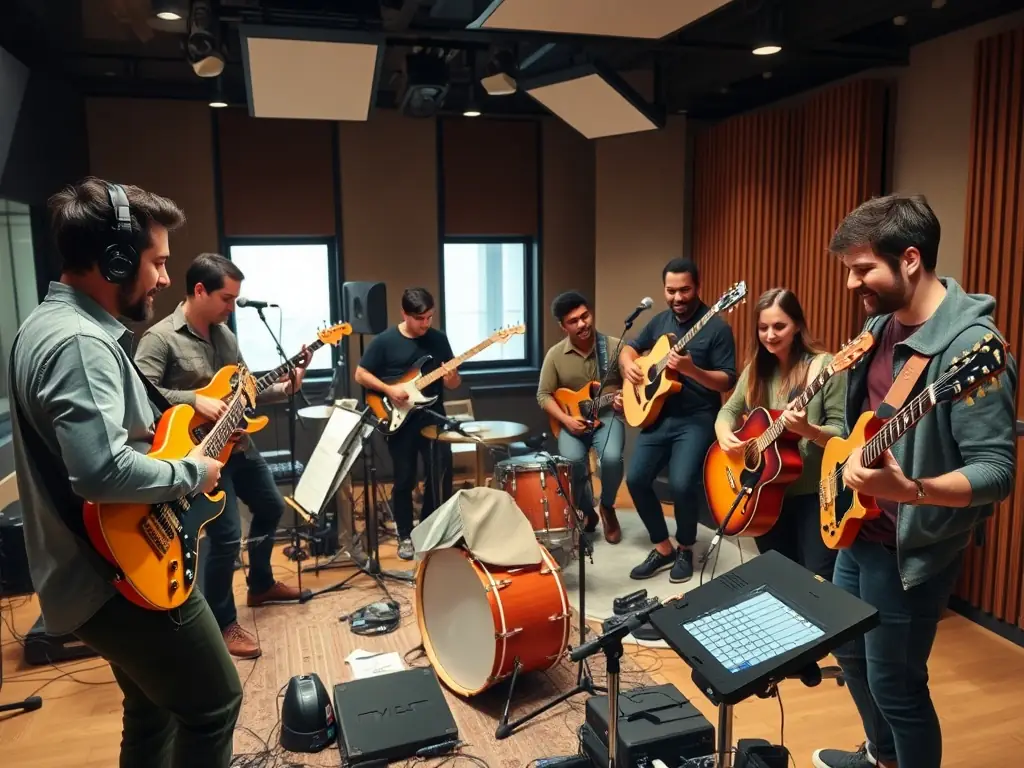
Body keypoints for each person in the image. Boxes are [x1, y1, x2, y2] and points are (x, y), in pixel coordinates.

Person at [8, 177, 241, 767]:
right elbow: (101, 471)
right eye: (157, 262)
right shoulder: (79, 344)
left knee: (153, 709)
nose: (166, 278)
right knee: (215, 703)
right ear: (114, 260)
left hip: (99, 566)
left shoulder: (50, 326)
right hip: (112, 579)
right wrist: (192, 473)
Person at [811, 195, 1017, 768]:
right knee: (850, 656)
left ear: (908, 259)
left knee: (898, 687)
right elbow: (868, 426)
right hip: (861, 527)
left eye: (861, 270)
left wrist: (913, 491)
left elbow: (997, 472)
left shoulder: (975, 350)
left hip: (910, 550)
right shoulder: (881, 327)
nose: (852, 284)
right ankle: (884, 759)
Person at [134, 252, 310, 659]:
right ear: (200, 290)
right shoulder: (160, 339)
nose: (232, 307)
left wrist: (285, 388)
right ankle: (221, 621)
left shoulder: (225, 336)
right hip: (200, 454)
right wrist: (195, 399)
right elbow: (140, 396)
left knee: (270, 507)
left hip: (239, 444)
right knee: (227, 535)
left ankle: (262, 584)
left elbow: (245, 389)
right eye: (227, 298)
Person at [714, 287, 845, 580]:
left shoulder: (824, 367)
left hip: (815, 494)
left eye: (779, 326)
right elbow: (727, 412)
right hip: (766, 493)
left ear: (797, 325)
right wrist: (724, 433)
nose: (770, 335)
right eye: (763, 328)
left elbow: (841, 435)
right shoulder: (755, 370)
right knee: (779, 576)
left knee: (817, 579)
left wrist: (808, 430)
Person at [620, 258, 738, 583]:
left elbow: (727, 381)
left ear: (698, 287)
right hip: (658, 415)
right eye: (671, 291)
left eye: (685, 290)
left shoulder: (717, 327)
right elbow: (629, 348)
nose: (678, 298)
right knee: (636, 480)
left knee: (683, 483)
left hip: (696, 418)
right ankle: (663, 547)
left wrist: (692, 370)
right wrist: (630, 364)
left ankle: (685, 547)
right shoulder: (658, 322)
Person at [354, 287, 459, 560]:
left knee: (440, 473)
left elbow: (454, 380)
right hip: (399, 418)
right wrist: (389, 391)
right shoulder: (385, 341)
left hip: (433, 415)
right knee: (404, 478)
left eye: (429, 317)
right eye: (419, 319)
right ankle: (404, 535)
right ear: (404, 314)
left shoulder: (438, 339)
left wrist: (451, 379)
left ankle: (429, 529)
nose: (425, 324)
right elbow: (360, 374)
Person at [536, 290, 624, 544]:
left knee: (611, 458)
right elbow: (543, 395)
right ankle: (587, 510)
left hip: (606, 416)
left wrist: (623, 398)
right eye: (573, 321)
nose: (582, 324)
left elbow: (633, 381)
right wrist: (566, 421)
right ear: (563, 326)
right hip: (570, 420)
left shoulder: (614, 346)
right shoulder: (554, 355)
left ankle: (607, 506)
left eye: (584, 316)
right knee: (572, 462)